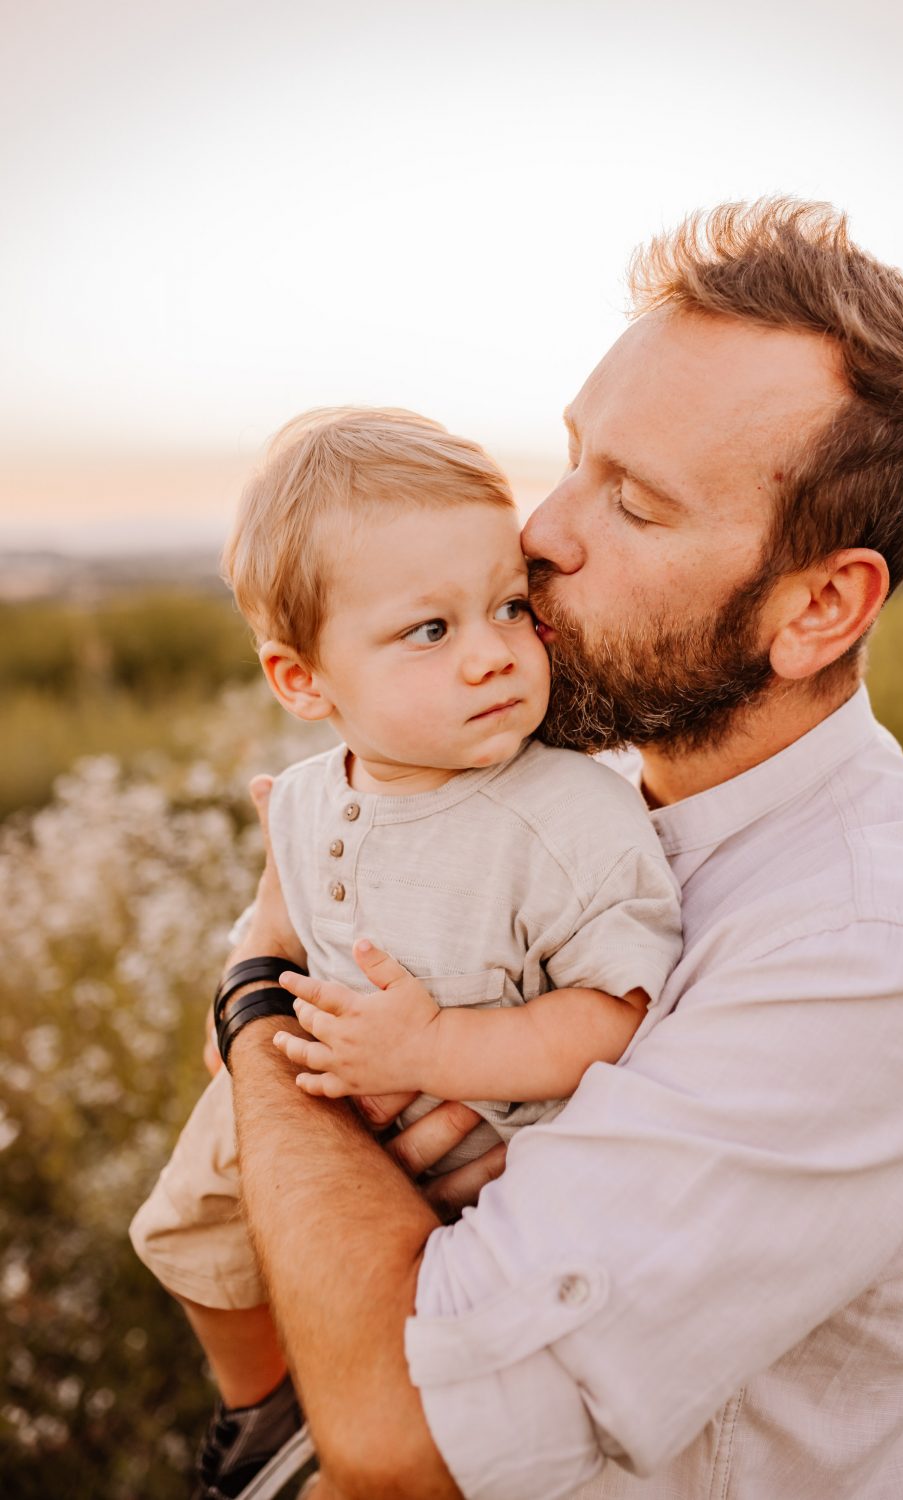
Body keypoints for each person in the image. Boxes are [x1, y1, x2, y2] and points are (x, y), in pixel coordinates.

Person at [218, 198, 903, 1500]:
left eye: (631, 503)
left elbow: (405, 1437)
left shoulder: (874, 956)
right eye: (575, 456)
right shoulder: (577, 787)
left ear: (819, 606)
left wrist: (257, 996)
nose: (541, 532)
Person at [129, 407, 681, 1498]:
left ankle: (330, 1412)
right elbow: (274, 936)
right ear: (303, 681)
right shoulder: (302, 799)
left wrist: (435, 1049)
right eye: (430, 630)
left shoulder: (568, 814)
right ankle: (259, 1409)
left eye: (509, 607)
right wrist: (238, 1018)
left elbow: (615, 1010)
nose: (491, 655)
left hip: (479, 1166)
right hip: (321, 1109)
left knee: (404, 1387)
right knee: (179, 1227)